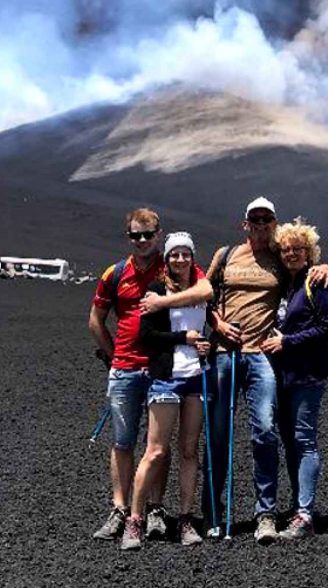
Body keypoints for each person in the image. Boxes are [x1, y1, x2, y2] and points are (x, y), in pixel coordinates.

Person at [202, 197, 328, 544]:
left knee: (264, 431)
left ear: (273, 224)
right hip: (225, 354)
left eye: (266, 220)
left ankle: (266, 514)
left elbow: (304, 268)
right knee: (218, 435)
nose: (261, 225)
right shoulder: (226, 255)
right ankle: (212, 512)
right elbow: (205, 294)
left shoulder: (280, 257)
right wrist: (217, 324)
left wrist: (325, 266)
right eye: (255, 220)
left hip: (261, 357)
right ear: (245, 223)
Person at [88, 208, 213, 541]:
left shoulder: (172, 266)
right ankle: (120, 509)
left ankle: (155, 508)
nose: (142, 240)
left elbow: (205, 291)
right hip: (126, 367)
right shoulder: (115, 273)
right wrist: (114, 356)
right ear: (128, 237)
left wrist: (160, 304)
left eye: (148, 234)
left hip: (163, 366)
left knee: (158, 444)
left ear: (159, 235)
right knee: (123, 441)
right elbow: (96, 321)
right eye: (135, 235)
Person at [120, 231, 213, 551]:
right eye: (174, 254)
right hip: (166, 378)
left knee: (189, 451)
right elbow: (146, 336)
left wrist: (204, 344)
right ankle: (135, 520)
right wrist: (183, 338)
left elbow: (207, 324)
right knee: (156, 451)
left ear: (192, 257)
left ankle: (186, 518)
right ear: (167, 258)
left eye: (185, 254)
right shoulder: (156, 290)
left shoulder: (200, 290)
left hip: (196, 378)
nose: (180, 259)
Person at [264, 217, 328, 540]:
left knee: (304, 440)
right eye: (286, 249)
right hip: (284, 374)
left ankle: (305, 515)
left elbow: (327, 326)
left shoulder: (317, 281)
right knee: (291, 442)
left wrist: (287, 342)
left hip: (308, 374)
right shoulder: (287, 282)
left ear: (309, 252)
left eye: (298, 249)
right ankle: (299, 508)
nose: (291, 254)